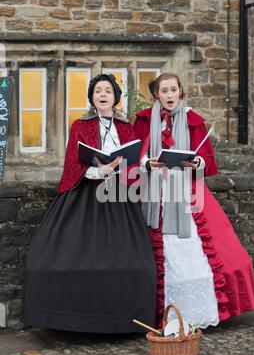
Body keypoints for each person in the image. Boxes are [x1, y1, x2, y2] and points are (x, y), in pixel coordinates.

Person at [22, 73, 157, 333]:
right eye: (98, 91)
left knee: (135, 263)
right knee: (55, 260)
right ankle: (69, 318)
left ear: (115, 97)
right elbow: (73, 162)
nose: (103, 95)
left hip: (119, 198)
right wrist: (97, 171)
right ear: (92, 97)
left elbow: (135, 161)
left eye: (108, 90)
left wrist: (128, 167)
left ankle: (126, 318)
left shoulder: (126, 127)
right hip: (85, 195)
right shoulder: (80, 126)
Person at [134, 72, 254, 329]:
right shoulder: (145, 120)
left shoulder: (193, 121)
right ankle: (165, 312)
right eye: (164, 91)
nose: (169, 95)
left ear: (181, 92)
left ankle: (196, 312)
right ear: (156, 94)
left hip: (188, 191)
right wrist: (148, 162)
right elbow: (135, 154)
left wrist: (196, 162)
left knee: (201, 250)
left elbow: (206, 158)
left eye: (173, 90)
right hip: (155, 191)